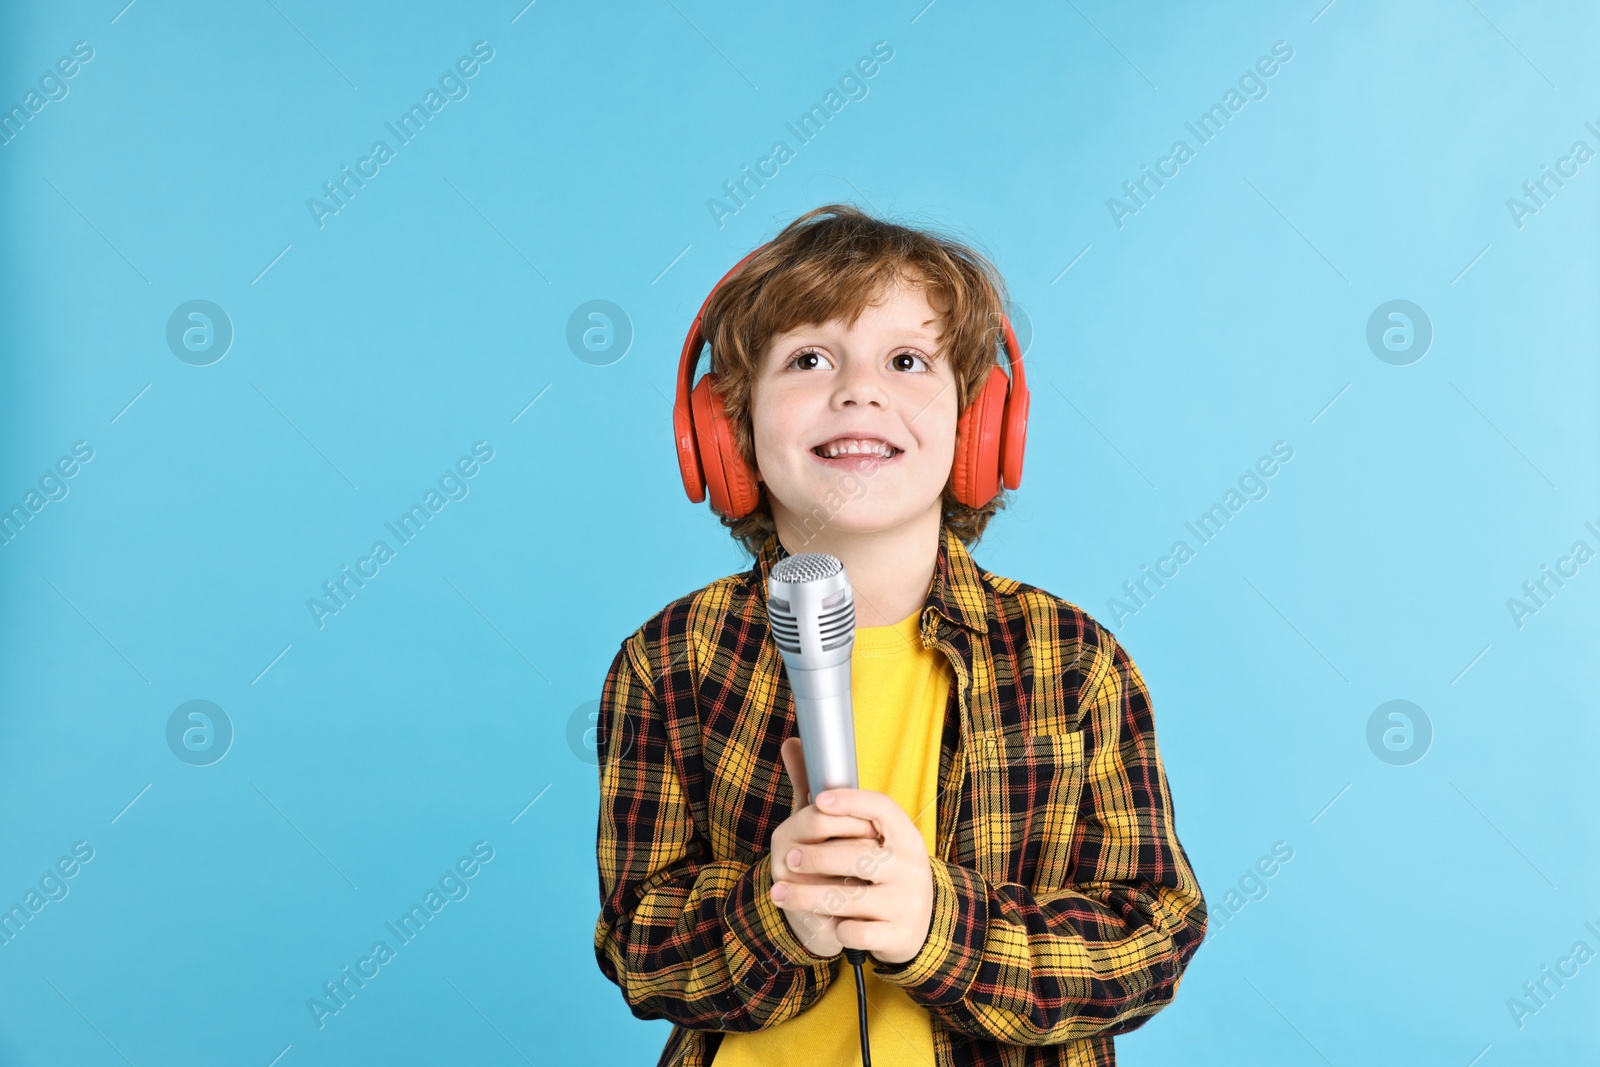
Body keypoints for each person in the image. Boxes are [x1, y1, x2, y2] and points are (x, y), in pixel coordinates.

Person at [592, 203, 1207, 1066]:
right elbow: (637, 947)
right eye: (808, 358)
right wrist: (780, 918)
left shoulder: (1073, 662)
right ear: (726, 429)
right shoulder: (672, 660)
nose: (859, 389)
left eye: (908, 360)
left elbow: (1154, 934)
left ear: (979, 425)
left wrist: (939, 925)